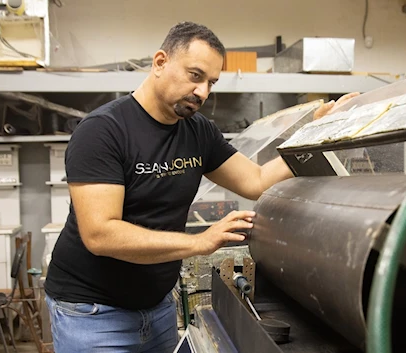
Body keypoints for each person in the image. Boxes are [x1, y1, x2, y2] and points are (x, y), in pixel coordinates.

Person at [43, 21, 358, 353]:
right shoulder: (103, 131)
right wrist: (200, 242)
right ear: (160, 62)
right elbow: (100, 234)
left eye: (211, 82)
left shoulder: (198, 132)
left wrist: (318, 134)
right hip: (93, 315)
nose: (203, 92)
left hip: (159, 308)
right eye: (195, 76)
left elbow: (256, 181)